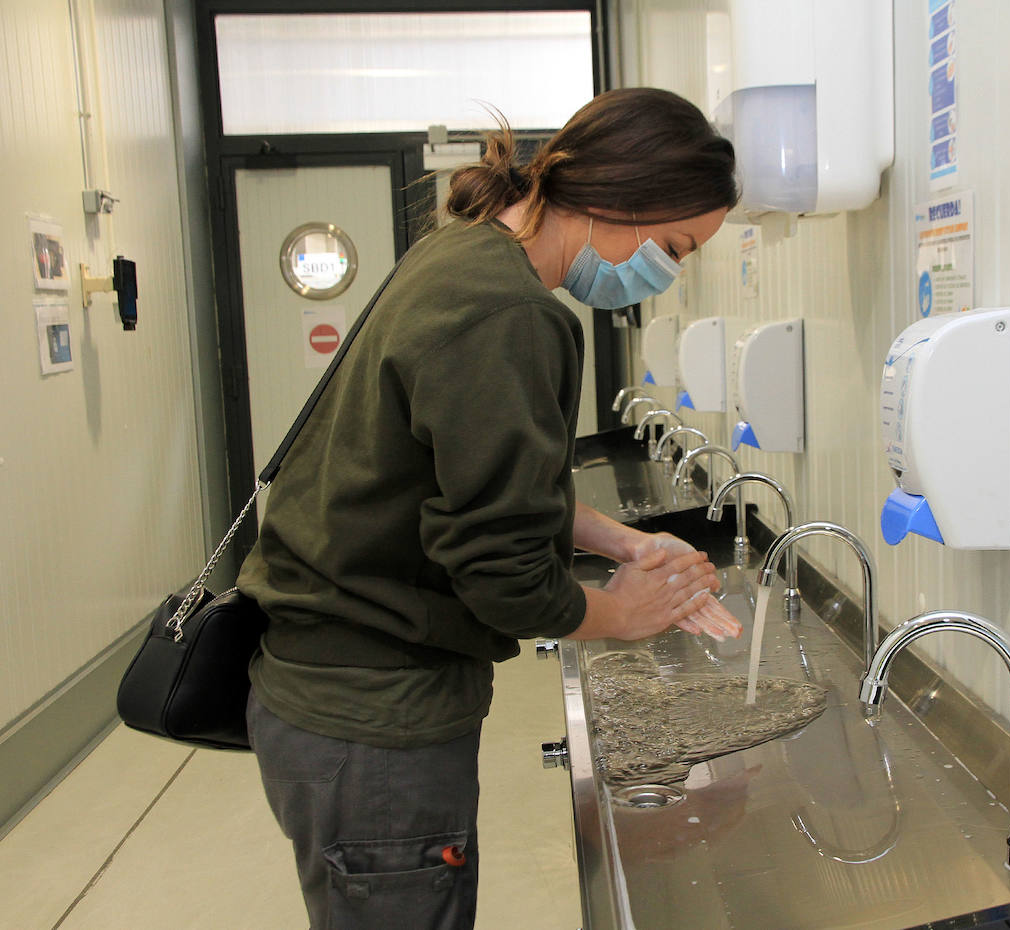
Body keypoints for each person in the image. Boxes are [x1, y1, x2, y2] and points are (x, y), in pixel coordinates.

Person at [238, 86, 743, 929]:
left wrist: (622, 543)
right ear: (617, 201)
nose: (668, 272)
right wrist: (626, 616)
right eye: (675, 246)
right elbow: (499, 575)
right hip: (375, 716)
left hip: (325, 695)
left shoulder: (465, 254)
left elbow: (473, 482)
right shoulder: (508, 311)